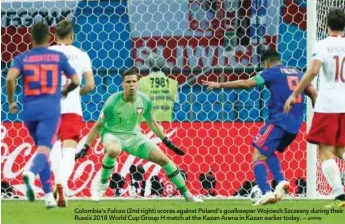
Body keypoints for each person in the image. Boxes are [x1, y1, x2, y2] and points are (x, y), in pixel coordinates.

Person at [284, 8, 345, 208]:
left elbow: (313, 71)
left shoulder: (323, 45)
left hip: (327, 106)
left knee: (324, 150)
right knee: (339, 148)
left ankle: (339, 196)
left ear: (326, 24)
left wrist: (295, 94)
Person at [202, 49, 317, 205]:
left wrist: (220, 84)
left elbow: (248, 83)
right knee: (267, 151)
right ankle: (282, 181)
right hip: (295, 124)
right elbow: (312, 91)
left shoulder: (272, 72)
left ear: (266, 63)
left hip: (278, 120)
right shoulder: (297, 73)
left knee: (257, 153)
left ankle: (267, 191)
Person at [75, 69, 202, 202]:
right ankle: (101, 185)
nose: (131, 85)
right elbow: (98, 125)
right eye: (128, 82)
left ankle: (188, 195)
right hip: (112, 134)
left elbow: (152, 123)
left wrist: (167, 141)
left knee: (163, 159)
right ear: (122, 84)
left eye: (134, 81)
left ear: (138, 83)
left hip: (135, 136)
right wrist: (86, 147)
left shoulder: (145, 100)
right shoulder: (112, 101)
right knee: (113, 150)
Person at [6, 22, 80, 208]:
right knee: (45, 149)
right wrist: (64, 90)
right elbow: (76, 81)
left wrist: (11, 101)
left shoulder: (23, 58)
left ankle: (48, 196)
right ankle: (30, 173)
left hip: (29, 109)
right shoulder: (58, 56)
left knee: (42, 149)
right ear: (49, 38)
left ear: (30, 38)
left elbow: (10, 78)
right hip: (50, 109)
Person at [49, 20, 95, 207]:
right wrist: (76, 92)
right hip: (72, 109)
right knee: (69, 149)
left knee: (53, 147)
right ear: (71, 37)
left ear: (55, 36)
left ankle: (57, 181)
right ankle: (62, 182)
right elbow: (91, 86)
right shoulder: (81, 55)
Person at [139, 54, 178, 122]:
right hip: (166, 122)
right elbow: (175, 105)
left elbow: (138, 104)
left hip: (146, 123)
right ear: (164, 66)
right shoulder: (173, 83)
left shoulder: (142, 82)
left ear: (149, 64)